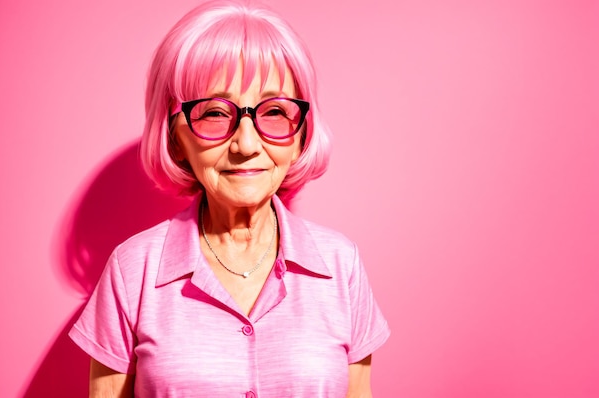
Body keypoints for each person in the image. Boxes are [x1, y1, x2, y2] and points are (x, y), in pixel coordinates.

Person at [69, 1, 390, 396]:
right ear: (175, 136)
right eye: (215, 113)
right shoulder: (131, 270)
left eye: (274, 111)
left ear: (301, 133)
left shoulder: (342, 265)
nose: (246, 144)